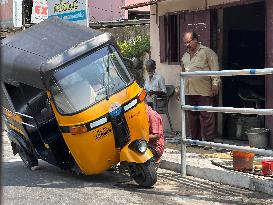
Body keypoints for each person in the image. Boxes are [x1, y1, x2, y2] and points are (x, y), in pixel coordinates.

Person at [180, 31, 220, 142]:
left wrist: (215, 84)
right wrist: (179, 89)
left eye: (189, 42)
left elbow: (215, 69)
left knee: (207, 116)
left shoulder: (207, 52)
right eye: (185, 43)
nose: (187, 45)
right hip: (189, 90)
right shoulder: (185, 56)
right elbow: (182, 73)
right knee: (192, 117)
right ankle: (195, 140)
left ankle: (208, 141)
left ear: (195, 40)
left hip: (204, 90)